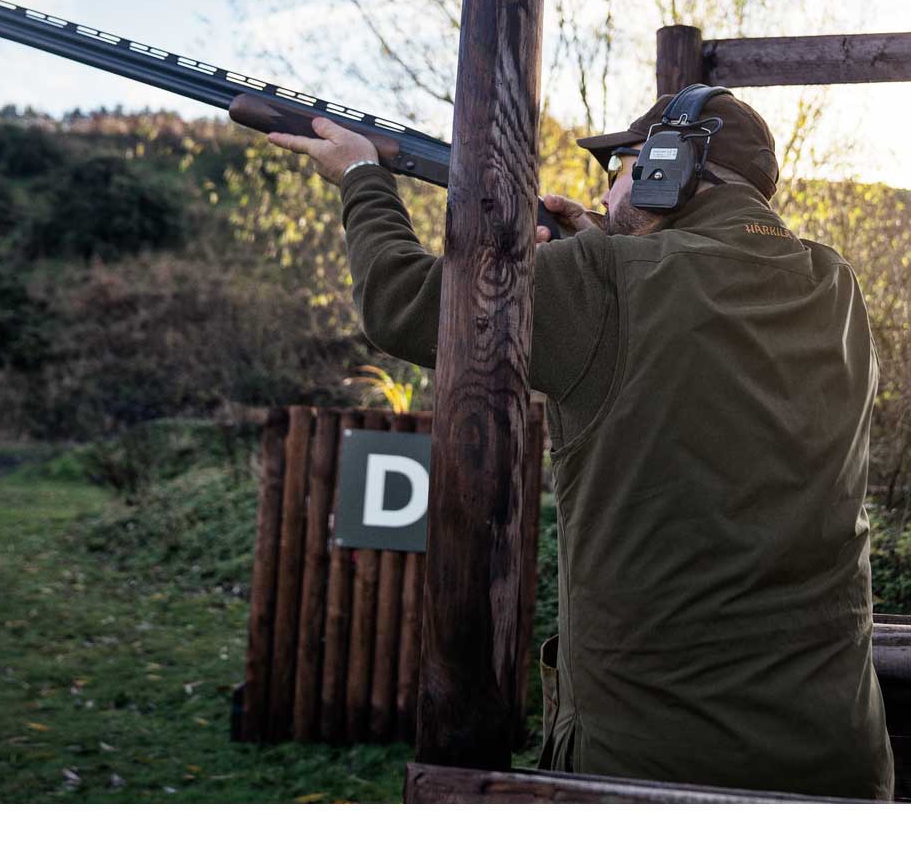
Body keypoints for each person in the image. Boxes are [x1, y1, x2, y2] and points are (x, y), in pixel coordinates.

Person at [266, 89, 894, 801]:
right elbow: (689, 329)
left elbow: (401, 301)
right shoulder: (833, 283)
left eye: (620, 166)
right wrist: (600, 245)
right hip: (841, 758)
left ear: (668, 168)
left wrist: (360, 178)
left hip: (658, 774)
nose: (605, 185)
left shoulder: (606, 282)